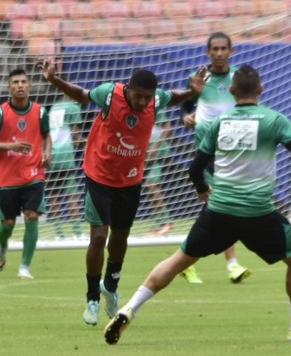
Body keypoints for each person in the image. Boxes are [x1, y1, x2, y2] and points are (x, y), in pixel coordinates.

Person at [104, 65, 291, 345]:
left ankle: (130, 307)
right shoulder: (274, 120)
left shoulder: (221, 122)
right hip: (257, 212)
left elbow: (195, 168)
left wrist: (203, 190)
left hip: (218, 209)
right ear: (261, 90)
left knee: (178, 261)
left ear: (231, 91)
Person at [39, 57, 206, 326]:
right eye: (138, 96)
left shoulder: (155, 100)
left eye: (147, 97)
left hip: (129, 179)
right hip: (99, 175)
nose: (142, 102)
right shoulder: (110, 94)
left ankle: (111, 285)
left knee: (121, 235)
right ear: (128, 88)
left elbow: (171, 97)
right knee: (98, 236)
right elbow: (81, 95)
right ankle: (92, 298)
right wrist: (54, 79)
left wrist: (191, 92)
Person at [178, 32, 249, 285]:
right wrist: (186, 117)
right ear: (208, 52)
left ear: (231, 51)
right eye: (214, 49)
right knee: (223, 205)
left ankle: (185, 259)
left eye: (223, 48)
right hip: (208, 151)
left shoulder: (239, 77)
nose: (219, 53)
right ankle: (232, 265)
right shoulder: (199, 77)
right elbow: (185, 106)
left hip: (234, 149)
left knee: (217, 209)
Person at [0, 68, 52, 280]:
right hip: (7, 177)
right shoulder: (0, 113)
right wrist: (11, 145)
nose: (20, 85)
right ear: (9, 87)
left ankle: (24, 266)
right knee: (8, 224)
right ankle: (3, 246)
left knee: (32, 216)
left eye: (24, 82)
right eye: (15, 82)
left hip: (33, 173)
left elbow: (46, 135)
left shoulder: (40, 112)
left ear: (30, 86)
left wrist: (48, 152)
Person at [47, 93, 85, 240]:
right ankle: (77, 232)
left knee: (54, 196)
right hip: (65, 155)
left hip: (51, 153)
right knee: (72, 194)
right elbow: (75, 136)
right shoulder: (73, 107)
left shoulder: (54, 107)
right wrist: (90, 142)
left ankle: (59, 234)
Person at [144, 110, 173, 236]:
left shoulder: (155, 107)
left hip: (157, 153)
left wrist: (156, 146)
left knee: (150, 185)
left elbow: (168, 128)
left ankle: (166, 222)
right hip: (145, 153)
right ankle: (158, 224)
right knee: (149, 188)